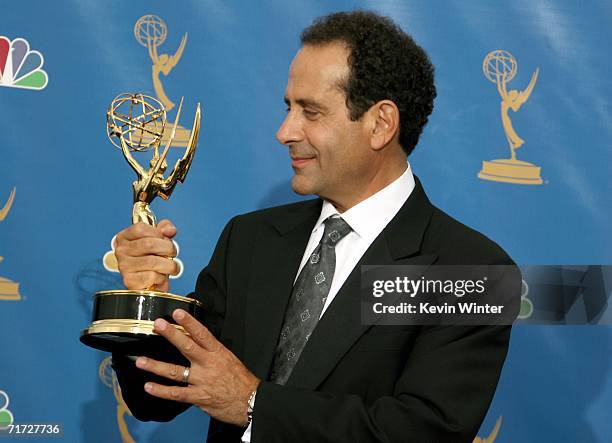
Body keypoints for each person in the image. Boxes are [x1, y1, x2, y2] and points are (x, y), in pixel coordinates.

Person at [112, 11, 518, 442]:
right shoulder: (250, 240)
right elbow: (157, 395)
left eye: (311, 112)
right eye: (289, 107)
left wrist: (254, 405)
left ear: (380, 123)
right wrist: (145, 300)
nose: (284, 131)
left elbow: (421, 432)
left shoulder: (471, 270)